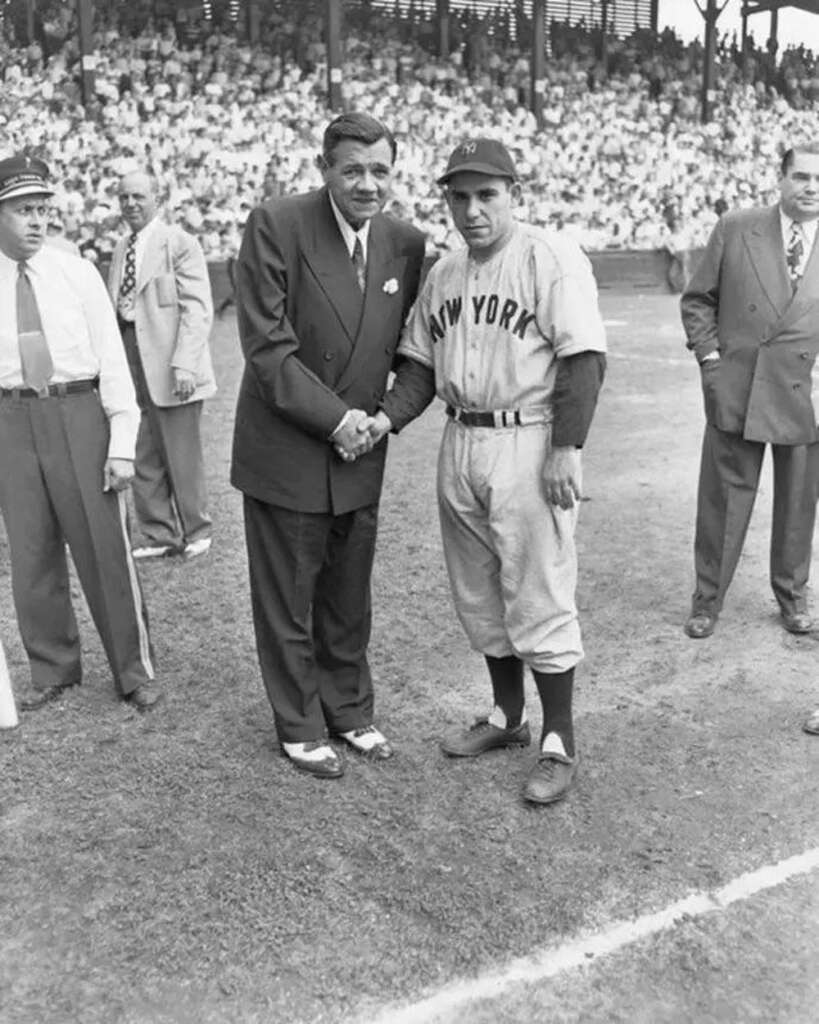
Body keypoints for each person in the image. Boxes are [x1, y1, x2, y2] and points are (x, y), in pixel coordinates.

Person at [361, 138, 607, 805]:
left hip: (528, 439)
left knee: (538, 588)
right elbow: (416, 365)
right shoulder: (443, 272)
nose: (470, 210)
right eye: (458, 196)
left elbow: (582, 358)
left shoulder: (547, 257)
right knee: (478, 592)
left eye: (485, 195)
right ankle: (506, 718)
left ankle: (559, 740)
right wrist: (385, 419)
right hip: (460, 438)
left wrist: (567, 448)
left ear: (510, 193)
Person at [231, 112, 426, 779]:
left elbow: (413, 352)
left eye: (379, 171)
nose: (367, 184)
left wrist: (383, 421)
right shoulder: (277, 223)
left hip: (360, 453)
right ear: (323, 169)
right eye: (352, 169)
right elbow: (267, 348)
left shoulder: (405, 241)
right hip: (288, 448)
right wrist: (338, 419)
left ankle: (349, 710)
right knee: (288, 595)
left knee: (347, 595)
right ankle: (298, 723)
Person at [0, 154, 159, 712]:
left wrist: (121, 444)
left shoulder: (77, 272)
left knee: (104, 546)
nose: (37, 221)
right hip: (12, 420)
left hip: (78, 411)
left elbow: (113, 362)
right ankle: (54, 668)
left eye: (43, 209)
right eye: (23, 210)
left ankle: (132, 669)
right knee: (31, 550)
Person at [681, 144, 819, 640]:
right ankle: (707, 600)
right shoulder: (737, 227)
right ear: (781, 179)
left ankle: (793, 597)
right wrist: (711, 362)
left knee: (799, 505)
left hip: (804, 393)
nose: (810, 187)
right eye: (801, 176)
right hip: (737, 389)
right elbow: (698, 300)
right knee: (722, 502)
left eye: (818, 179)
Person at [109, 170, 216, 561]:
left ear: (158, 198)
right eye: (124, 197)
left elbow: (197, 309)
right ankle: (158, 533)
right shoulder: (122, 246)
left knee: (180, 449)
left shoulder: (179, 242)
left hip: (171, 360)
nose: (130, 204)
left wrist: (185, 364)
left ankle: (196, 529)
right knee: (141, 447)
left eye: (138, 196)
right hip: (129, 351)